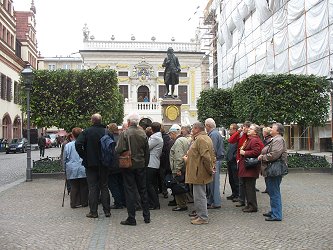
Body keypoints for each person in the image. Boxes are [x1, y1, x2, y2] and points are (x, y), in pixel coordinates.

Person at [115, 112, 150, 226]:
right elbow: (147, 151)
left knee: (130, 191)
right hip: (141, 164)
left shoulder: (125, 133)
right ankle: (146, 216)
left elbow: (118, 149)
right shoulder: (143, 133)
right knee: (143, 190)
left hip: (129, 165)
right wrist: (145, 163)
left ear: (129, 122)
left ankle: (131, 218)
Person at [75, 113, 111, 218]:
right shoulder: (106, 132)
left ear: (92, 121)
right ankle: (107, 211)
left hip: (90, 163)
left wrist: (84, 156)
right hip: (104, 163)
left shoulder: (86, 132)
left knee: (93, 188)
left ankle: (93, 212)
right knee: (104, 186)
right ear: (101, 120)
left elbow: (78, 144)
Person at [184, 122, 215, 225]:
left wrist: (210, 169)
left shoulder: (201, 139)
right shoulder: (204, 138)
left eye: (193, 128)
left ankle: (203, 217)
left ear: (197, 129)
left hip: (199, 172)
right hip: (199, 171)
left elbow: (206, 157)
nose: (191, 130)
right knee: (199, 194)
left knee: (199, 195)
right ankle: (200, 214)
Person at [258, 123, 287, 221]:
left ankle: (277, 214)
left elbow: (274, 154)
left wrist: (263, 157)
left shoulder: (278, 140)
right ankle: (274, 211)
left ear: (278, 131)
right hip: (271, 169)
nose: (270, 129)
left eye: (272, 128)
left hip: (275, 169)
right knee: (272, 191)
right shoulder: (275, 139)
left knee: (274, 192)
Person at [238, 124, 264, 213]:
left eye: (251, 129)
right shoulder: (250, 139)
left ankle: (252, 206)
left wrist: (245, 153)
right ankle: (249, 205)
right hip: (247, 168)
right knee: (247, 187)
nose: (249, 129)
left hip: (250, 168)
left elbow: (257, 151)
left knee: (250, 188)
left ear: (256, 132)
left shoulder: (255, 140)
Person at [63, 127, 88, 209]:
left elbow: (64, 158)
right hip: (82, 167)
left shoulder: (68, 146)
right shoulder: (84, 144)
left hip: (72, 167)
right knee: (84, 185)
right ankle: (84, 202)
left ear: (72, 135)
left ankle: (73, 203)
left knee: (74, 186)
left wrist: (64, 169)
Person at [228, 121, 251, 207]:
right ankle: (240, 198)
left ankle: (246, 200)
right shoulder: (241, 135)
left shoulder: (250, 137)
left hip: (244, 160)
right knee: (239, 181)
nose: (244, 128)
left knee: (243, 182)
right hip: (239, 160)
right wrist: (238, 132)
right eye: (243, 126)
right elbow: (231, 140)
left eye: (245, 127)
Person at [169, 124, 190, 211]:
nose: (170, 136)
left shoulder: (178, 141)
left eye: (170, 134)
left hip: (180, 168)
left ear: (174, 133)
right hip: (185, 167)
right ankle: (183, 203)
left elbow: (178, 156)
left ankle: (181, 205)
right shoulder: (185, 139)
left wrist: (177, 168)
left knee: (178, 186)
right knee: (182, 185)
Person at [205, 118, 224, 209]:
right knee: (213, 183)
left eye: (205, 126)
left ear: (208, 126)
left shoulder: (213, 134)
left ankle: (216, 202)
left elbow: (212, 149)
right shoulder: (215, 133)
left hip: (215, 160)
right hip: (216, 160)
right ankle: (212, 201)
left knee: (214, 183)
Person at [107, 123, 126, 209]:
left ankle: (118, 202)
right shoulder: (121, 137)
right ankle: (123, 201)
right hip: (122, 163)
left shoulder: (110, 139)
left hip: (113, 165)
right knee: (121, 183)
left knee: (113, 184)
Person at [146, 122, 163, 210]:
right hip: (154, 163)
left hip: (151, 163)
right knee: (153, 184)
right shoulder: (157, 137)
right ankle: (155, 203)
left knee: (149, 184)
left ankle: (154, 203)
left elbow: (147, 147)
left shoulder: (155, 138)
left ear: (152, 129)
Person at [159, 124, 174, 199]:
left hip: (162, 160)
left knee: (163, 176)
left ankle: (164, 191)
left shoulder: (161, 137)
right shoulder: (167, 137)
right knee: (167, 176)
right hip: (166, 160)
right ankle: (166, 191)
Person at [226, 123, 239, 202]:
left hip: (233, 161)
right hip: (229, 161)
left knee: (235, 179)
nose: (229, 130)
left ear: (235, 130)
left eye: (231, 129)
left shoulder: (237, 139)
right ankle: (234, 193)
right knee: (231, 179)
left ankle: (238, 194)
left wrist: (233, 157)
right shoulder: (231, 138)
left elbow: (237, 150)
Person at [262, 127, 272, 194]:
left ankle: (269, 188)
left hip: (267, 159)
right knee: (266, 174)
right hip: (265, 159)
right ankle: (268, 188)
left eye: (263, 132)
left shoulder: (268, 140)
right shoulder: (266, 139)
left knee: (267, 174)